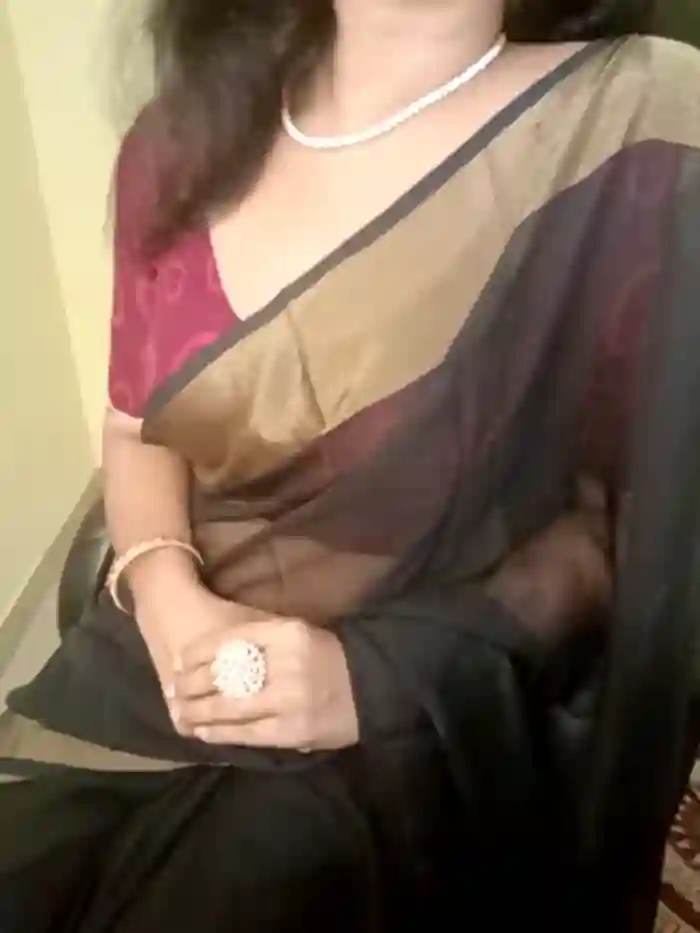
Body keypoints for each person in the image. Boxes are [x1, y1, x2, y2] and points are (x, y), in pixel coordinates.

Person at [1, 0, 700, 929]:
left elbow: (634, 535)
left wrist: (369, 680)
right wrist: (167, 597)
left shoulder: (634, 129)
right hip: (159, 666)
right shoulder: (176, 144)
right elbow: (135, 430)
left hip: (417, 713)